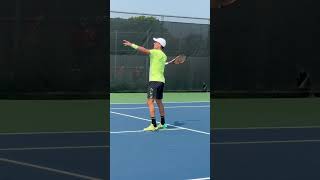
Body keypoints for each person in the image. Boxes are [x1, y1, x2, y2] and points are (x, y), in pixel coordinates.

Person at [123, 38, 168, 131]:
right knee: (159, 102)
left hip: (154, 82)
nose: (154, 43)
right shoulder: (164, 56)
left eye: (156, 42)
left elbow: (144, 50)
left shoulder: (155, 52)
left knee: (150, 102)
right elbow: (160, 64)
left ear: (160, 45)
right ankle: (163, 123)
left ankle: (153, 124)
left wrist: (132, 44)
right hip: (161, 81)